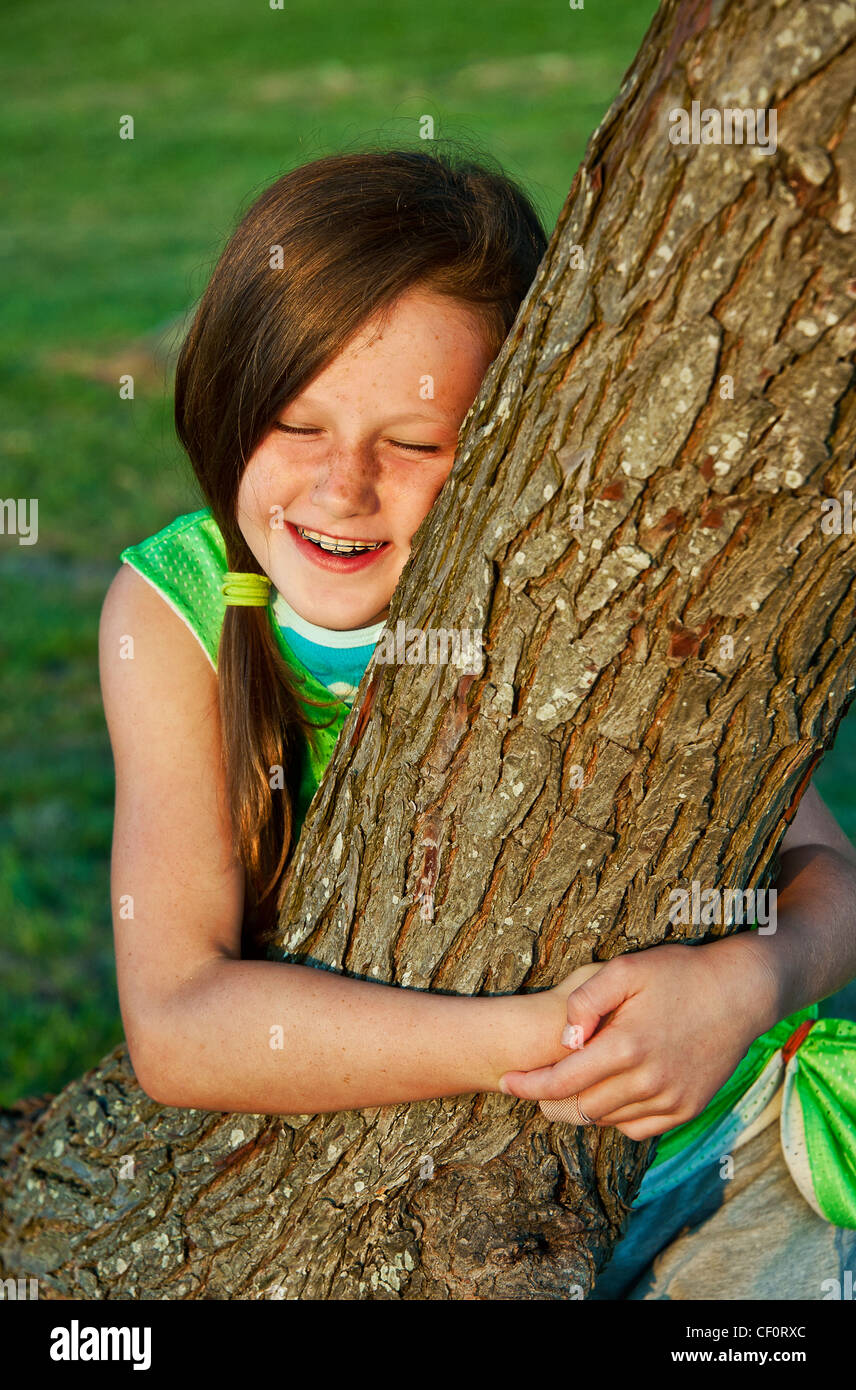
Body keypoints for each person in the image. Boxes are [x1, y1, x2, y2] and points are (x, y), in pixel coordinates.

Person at [99, 146, 856, 1300]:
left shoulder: (593, 592)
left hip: (727, 1152)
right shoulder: (183, 615)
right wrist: (537, 1038)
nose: (341, 487)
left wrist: (746, 986)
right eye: (296, 425)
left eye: (411, 446)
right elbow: (179, 1024)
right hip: (442, 1198)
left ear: (518, 457)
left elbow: (828, 875)